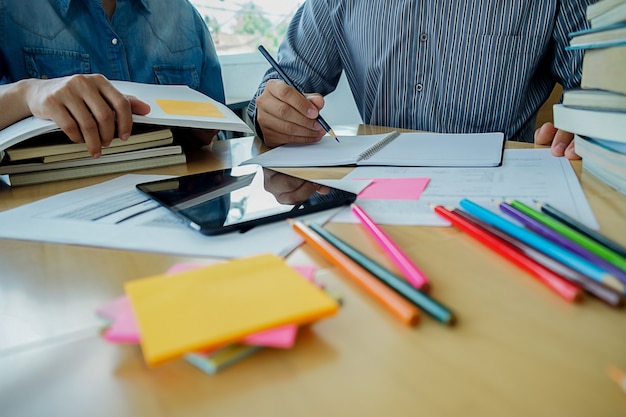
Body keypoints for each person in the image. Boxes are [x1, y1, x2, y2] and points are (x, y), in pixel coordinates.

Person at [248, 1, 592, 160]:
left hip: (499, 202)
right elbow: (279, 87)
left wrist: (592, 127)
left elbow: (604, 90)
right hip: (370, 200)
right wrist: (271, 115)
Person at [0, 0, 225, 158]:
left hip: (174, 198)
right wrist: (27, 94)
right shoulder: (8, 10)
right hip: (49, 207)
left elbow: (216, 136)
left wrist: (202, 134)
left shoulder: (183, 14)